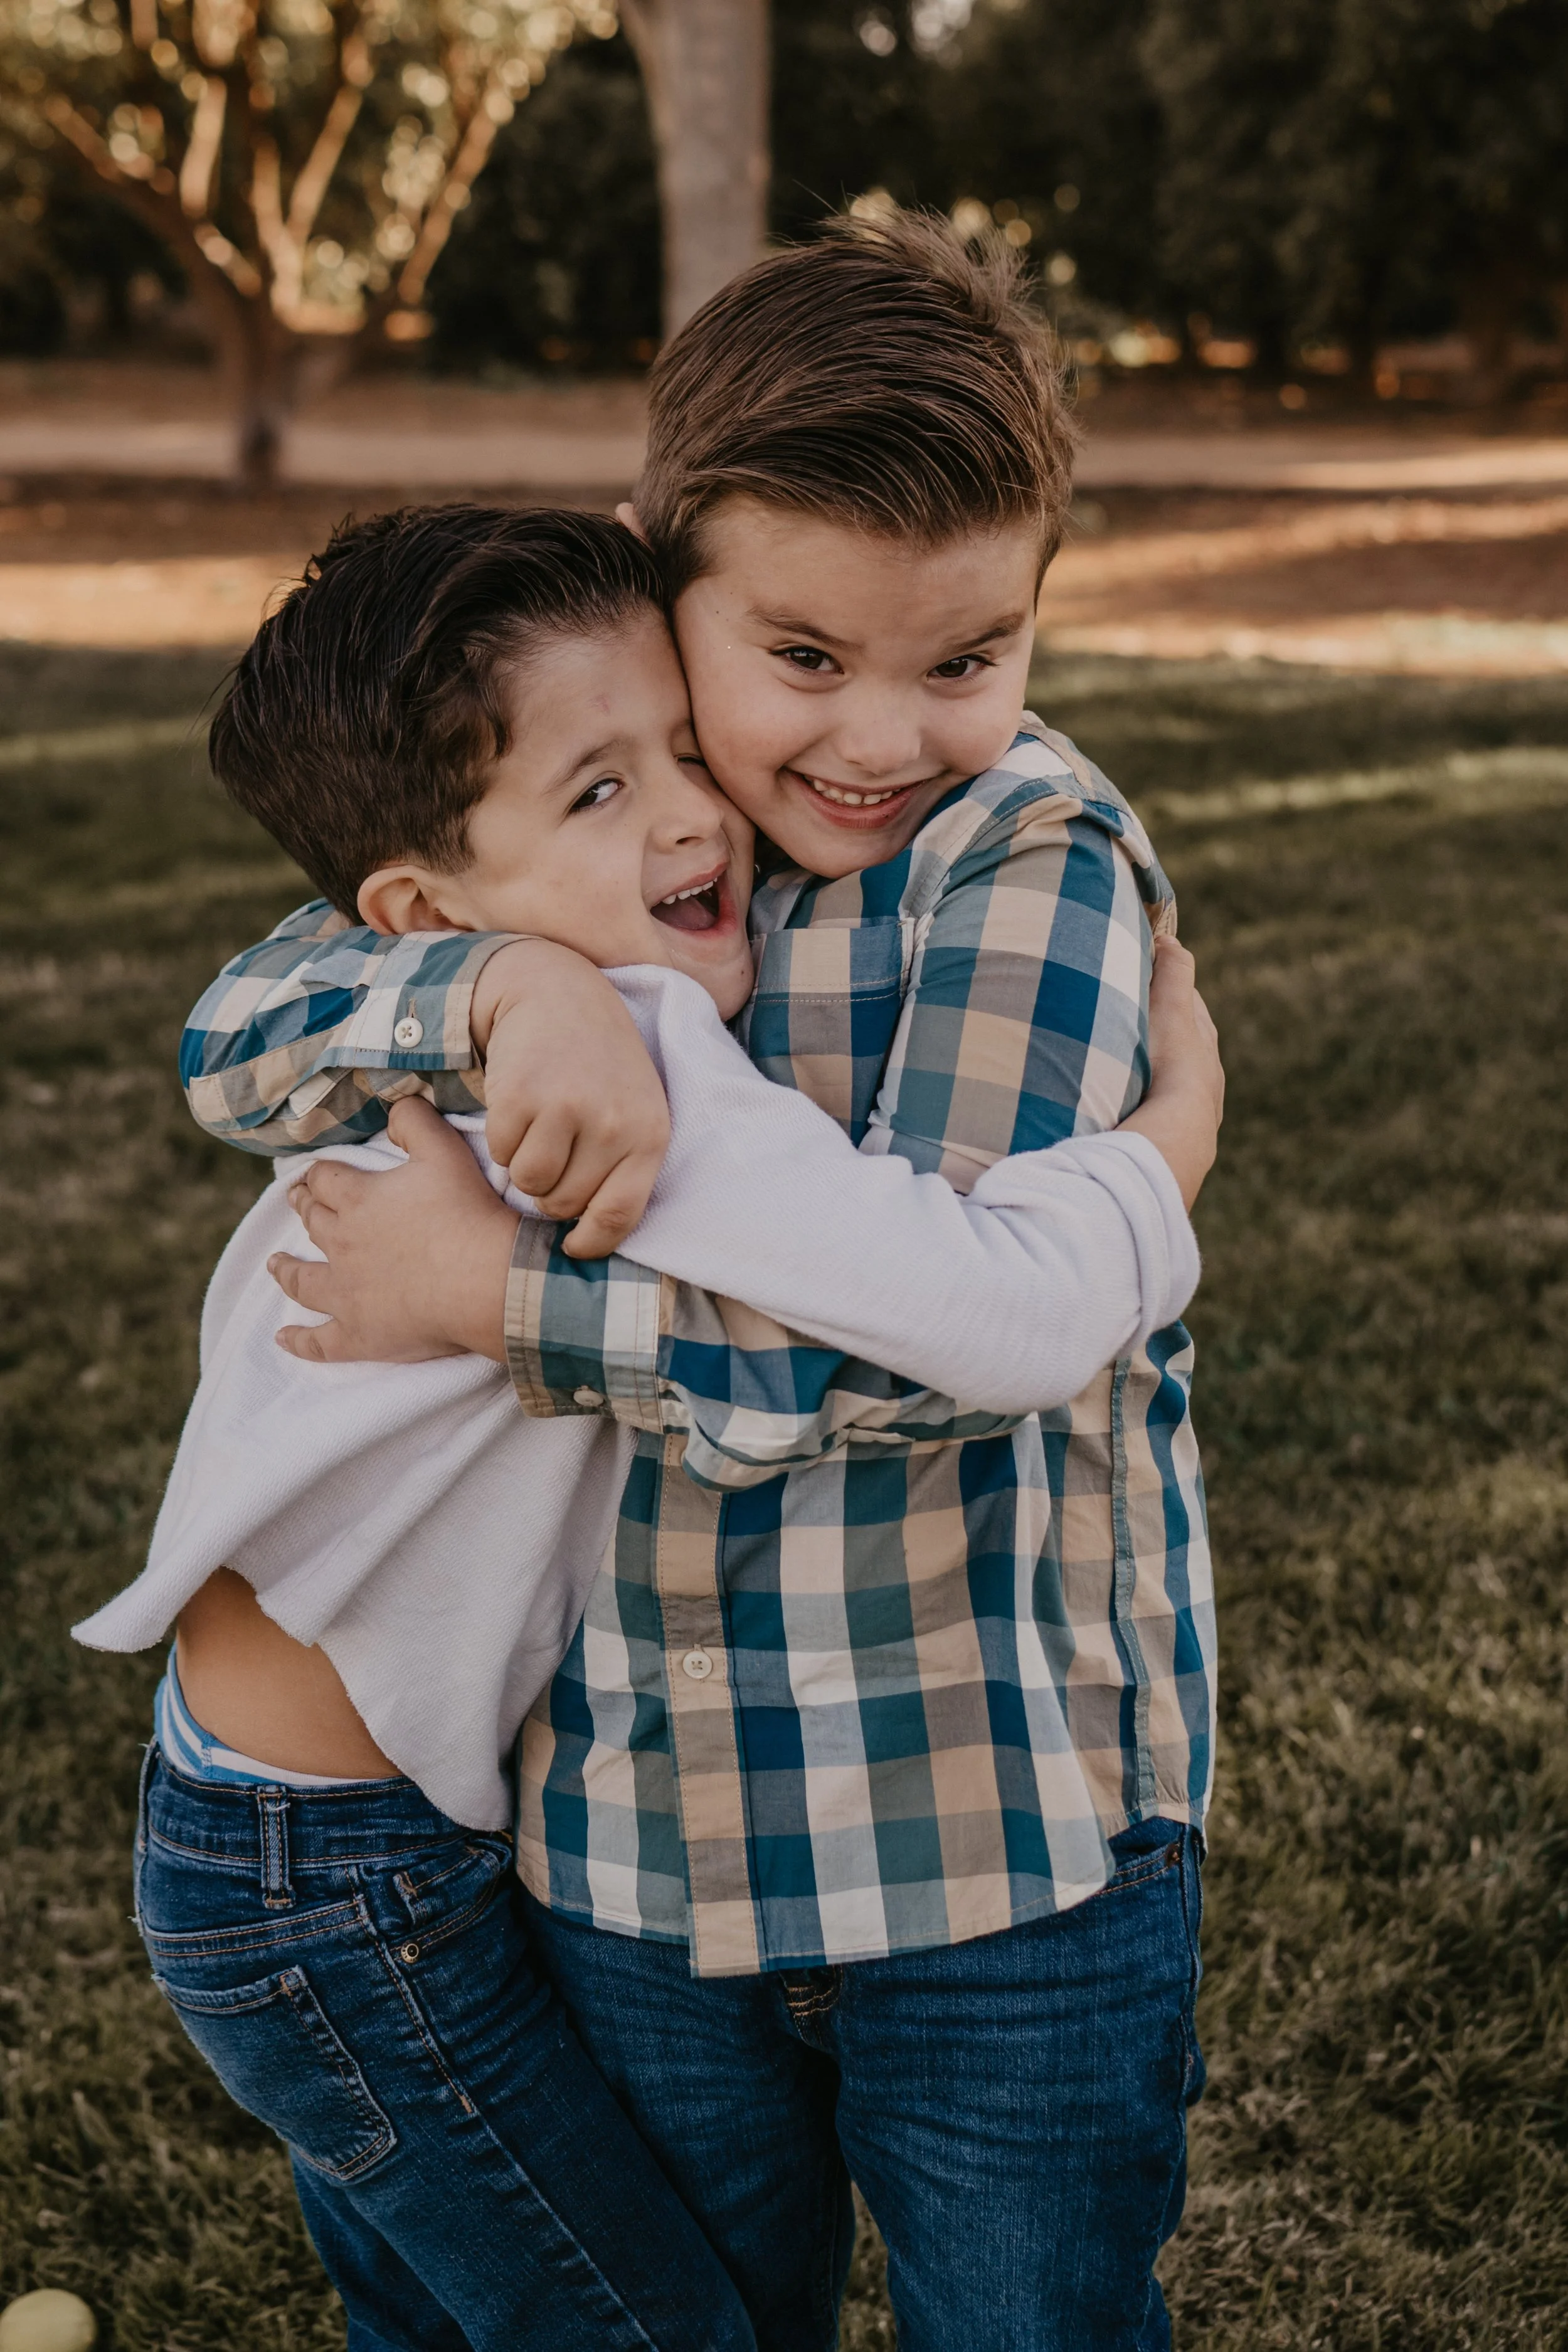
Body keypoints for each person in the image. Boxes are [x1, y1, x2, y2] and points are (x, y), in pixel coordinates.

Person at [175, 214, 1222, 2351]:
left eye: (967, 658)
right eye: (805, 656)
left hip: (992, 1841)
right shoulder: (623, 860)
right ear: (670, 579)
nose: (881, 738)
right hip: (642, 1836)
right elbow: (242, 1019)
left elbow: (926, 1351)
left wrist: (504, 1300)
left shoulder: (1020, 856)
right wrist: (493, 984)